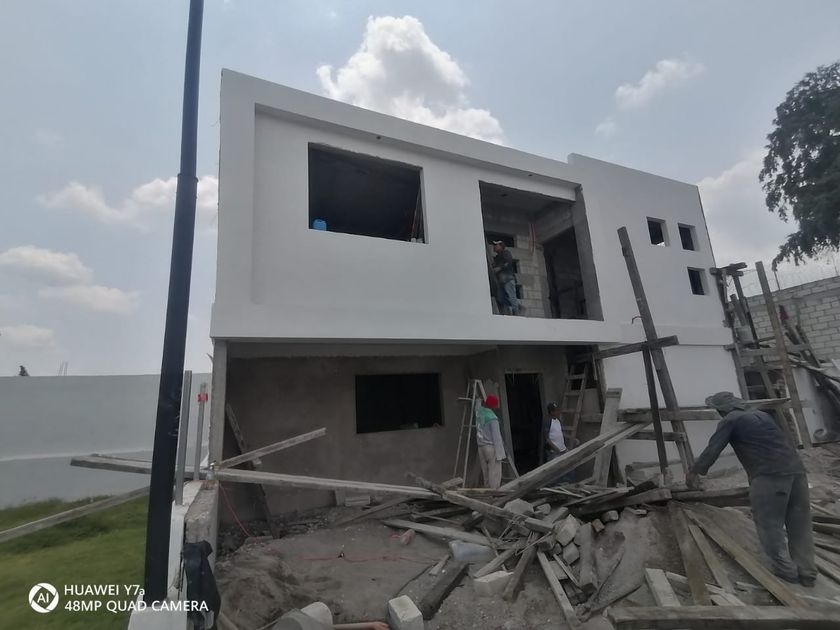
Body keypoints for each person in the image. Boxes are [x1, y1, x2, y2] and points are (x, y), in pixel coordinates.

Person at [686, 391, 816, 586]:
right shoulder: (762, 415)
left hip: (769, 476)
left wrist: (694, 472)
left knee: (770, 524)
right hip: (797, 472)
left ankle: (787, 572)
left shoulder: (731, 419)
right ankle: (807, 573)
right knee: (800, 524)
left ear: (721, 409)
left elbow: (713, 449)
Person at [475, 394, 506, 489]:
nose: (496, 408)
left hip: (481, 447)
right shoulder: (492, 418)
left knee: (485, 472)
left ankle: (487, 490)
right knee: (494, 472)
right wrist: (500, 454)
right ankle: (494, 492)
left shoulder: (479, 413)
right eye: (495, 406)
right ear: (493, 406)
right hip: (490, 448)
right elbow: (497, 437)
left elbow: (477, 407)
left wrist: (478, 400)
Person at [491, 241, 521, 315]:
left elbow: (508, 262)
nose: (494, 246)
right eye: (494, 245)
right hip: (501, 281)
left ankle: (516, 313)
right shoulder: (497, 257)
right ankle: (518, 306)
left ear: (501, 246)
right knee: (500, 298)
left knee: (512, 296)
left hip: (508, 279)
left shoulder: (506, 253)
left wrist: (499, 268)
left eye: (496, 245)